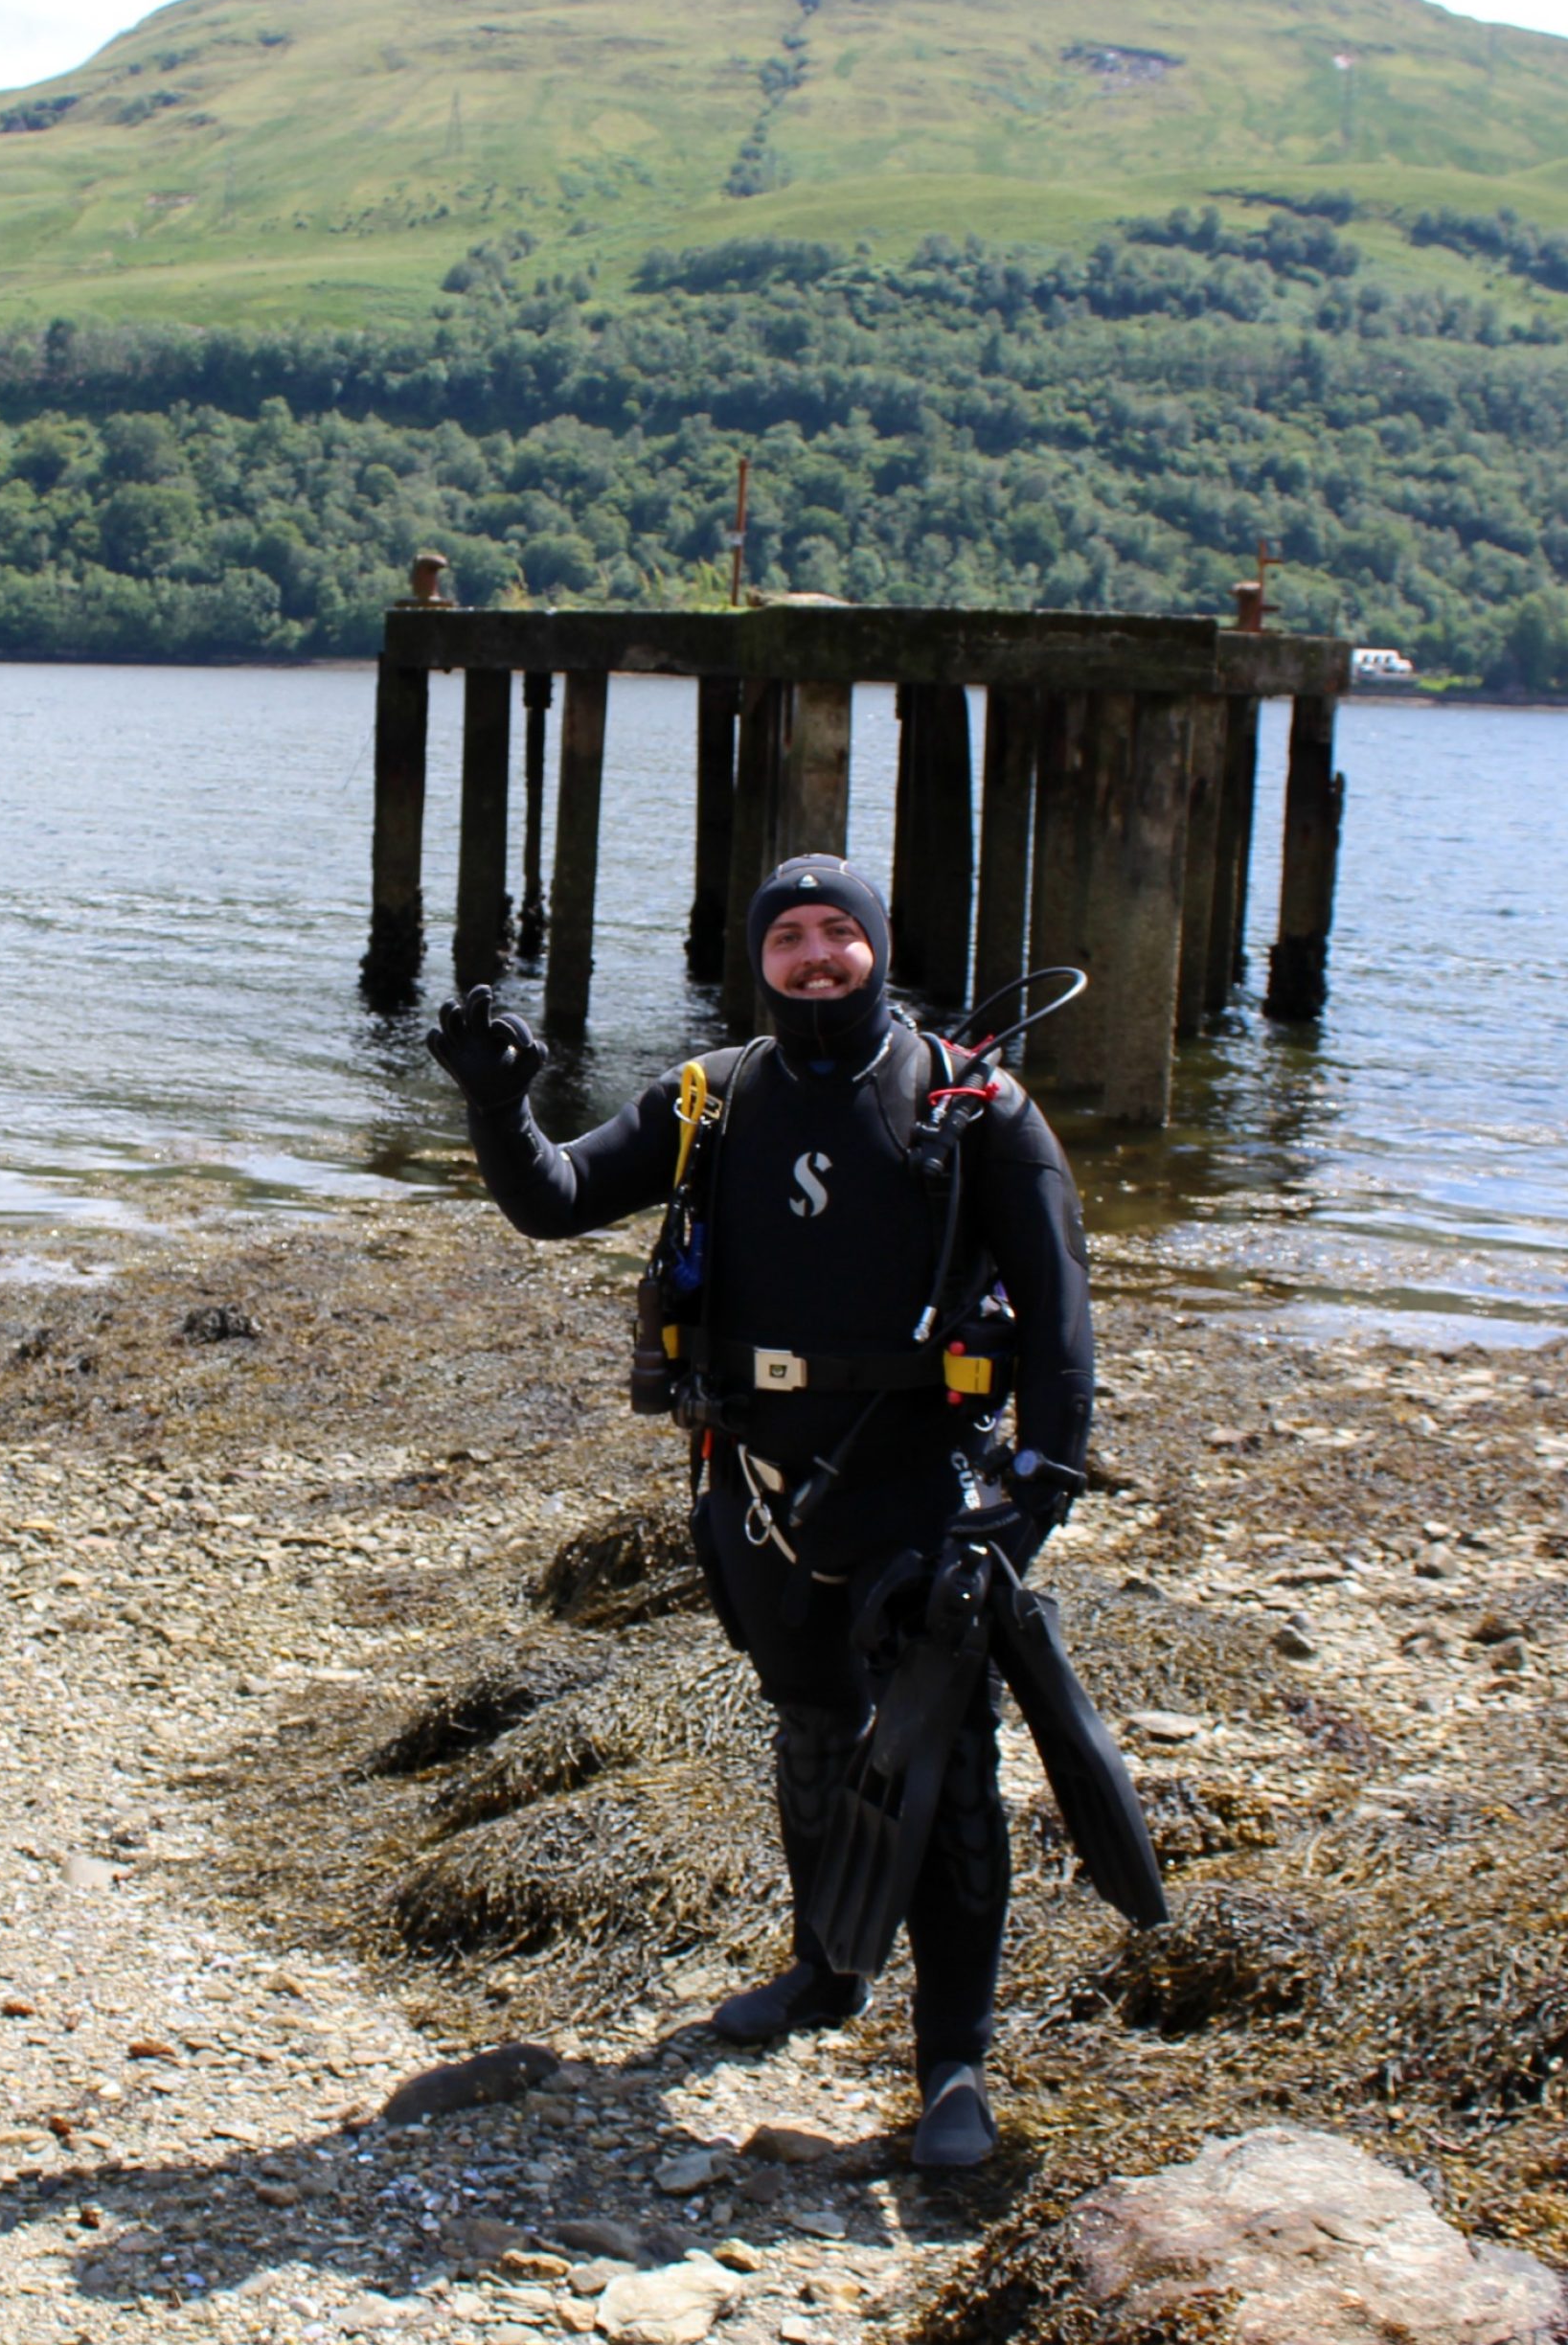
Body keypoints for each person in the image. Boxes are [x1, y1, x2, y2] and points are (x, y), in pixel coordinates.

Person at [427, 856, 1094, 2168]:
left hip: (927, 1497)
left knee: (948, 1772)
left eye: (837, 933)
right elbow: (553, 1199)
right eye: (785, 935)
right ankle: (824, 1971)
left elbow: (1063, 1322)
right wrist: (500, 1106)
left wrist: (1036, 1495)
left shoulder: (975, 1108)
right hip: (760, 1492)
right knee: (807, 1737)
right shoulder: (711, 1100)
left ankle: (954, 2060)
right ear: (760, 959)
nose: (813, 956)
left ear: (878, 948)